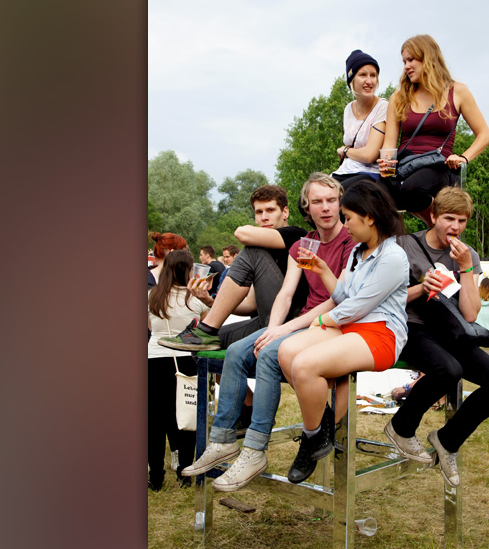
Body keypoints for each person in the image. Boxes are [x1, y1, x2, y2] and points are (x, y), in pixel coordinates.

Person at [179, 173, 356, 492]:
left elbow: (336, 300)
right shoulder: (304, 243)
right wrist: (272, 330)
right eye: (317, 201)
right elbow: (285, 294)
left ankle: (255, 449)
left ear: (340, 203)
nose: (325, 208)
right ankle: (222, 440)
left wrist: (281, 330)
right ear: (307, 206)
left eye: (331, 200)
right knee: (237, 351)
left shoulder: (350, 242)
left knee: (269, 354)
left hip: (332, 324)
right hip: (299, 320)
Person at [277, 181, 409, 483]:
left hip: (380, 333)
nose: (344, 224)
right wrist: (324, 270)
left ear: (369, 217)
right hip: (351, 326)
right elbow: (345, 296)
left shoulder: (392, 256)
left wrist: (321, 320)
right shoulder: (358, 252)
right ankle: (325, 426)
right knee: (286, 351)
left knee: (304, 365)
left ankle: (311, 438)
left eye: (348, 217)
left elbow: (359, 306)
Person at [387, 186, 489, 487]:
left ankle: (447, 441)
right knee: (449, 370)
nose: (455, 227)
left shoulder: (468, 255)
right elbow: (384, 298)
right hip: (410, 326)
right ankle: (401, 427)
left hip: (448, 330)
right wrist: (421, 287)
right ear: (433, 216)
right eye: (449, 218)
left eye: (462, 220)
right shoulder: (404, 245)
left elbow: (469, 314)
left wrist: (466, 268)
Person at [159, 186, 308, 351]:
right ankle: (207, 332)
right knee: (202, 346)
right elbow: (250, 305)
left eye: (270, 210)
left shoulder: (296, 234)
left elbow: (241, 234)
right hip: (265, 319)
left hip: (292, 317)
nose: (264, 217)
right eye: (259, 212)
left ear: (285, 212)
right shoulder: (263, 253)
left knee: (252, 251)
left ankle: (207, 328)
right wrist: (209, 301)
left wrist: (243, 230)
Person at [379, 34, 489, 226]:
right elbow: (389, 144)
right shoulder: (398, 97)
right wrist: (386, 165)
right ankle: (436, 229)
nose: (406, 66)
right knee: (370, 198)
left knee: (411, 190)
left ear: (428, 58)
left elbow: (485, 135)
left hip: (439, 167)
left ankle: (439, 228)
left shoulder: (457, 92)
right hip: (406, 166)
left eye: (411, 60)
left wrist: (463, 158)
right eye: (404, 61)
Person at [147, 248, 214, 491]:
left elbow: (150, 329)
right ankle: (184, 471)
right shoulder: (194, 300)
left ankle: (155, 475)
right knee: (186, 416)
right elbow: (208, 327)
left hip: (154, 357)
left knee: (153, 421)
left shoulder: (152, 296)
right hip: (185, 358)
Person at [331, 50, 388, 191]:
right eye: (362, 75)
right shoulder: (348, 109)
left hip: (370, 173)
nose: (369, 81)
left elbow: (369, 155)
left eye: (373, 75)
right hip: (346, 170)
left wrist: (345, 150)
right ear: (352, 80)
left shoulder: (383, 107)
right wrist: (350, 152)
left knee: (337, 194)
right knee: (308, 196)